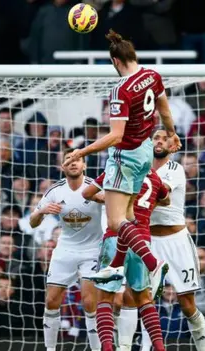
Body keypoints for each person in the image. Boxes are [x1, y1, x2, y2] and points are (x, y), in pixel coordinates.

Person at [63, 29, 181, 297]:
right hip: (145, 152)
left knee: (116, 223)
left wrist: (82, 152)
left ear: (115, 61)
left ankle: (154, 263)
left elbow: (116, 135)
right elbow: (164, 110)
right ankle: (115, 265)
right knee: (128, 217)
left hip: (125, 156)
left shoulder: (121, 90)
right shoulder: (152, 76)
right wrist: (172, 134)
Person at [134, 129, 205, 351]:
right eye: (155, 138)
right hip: (149, 240)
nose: (159, 141)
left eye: (164, 138)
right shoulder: (140, 169)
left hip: (176, 241)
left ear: (172, 145)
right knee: (146, 298)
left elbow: (156, 195)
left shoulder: (175, 169)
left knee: (187, 303)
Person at [82, 170, 171, 351]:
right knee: (144, 299)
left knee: (105, 298)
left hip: (116, 238)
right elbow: (166, 199)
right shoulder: (155, 176)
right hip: (142, 240)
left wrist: (107, 199)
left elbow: (87, 193)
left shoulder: (117, 169)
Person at [29, 149, 103, 351]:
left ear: (84, 165)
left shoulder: (94, 186)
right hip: (65, 249)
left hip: (92, 250)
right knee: (51, 300)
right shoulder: (55, 191)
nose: (73, 162)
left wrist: (102, 199)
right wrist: (41, 212)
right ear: (62, 166)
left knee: (89, 302)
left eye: (77, 159)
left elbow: (113, 204)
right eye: (68, 160)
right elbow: (33, 222)